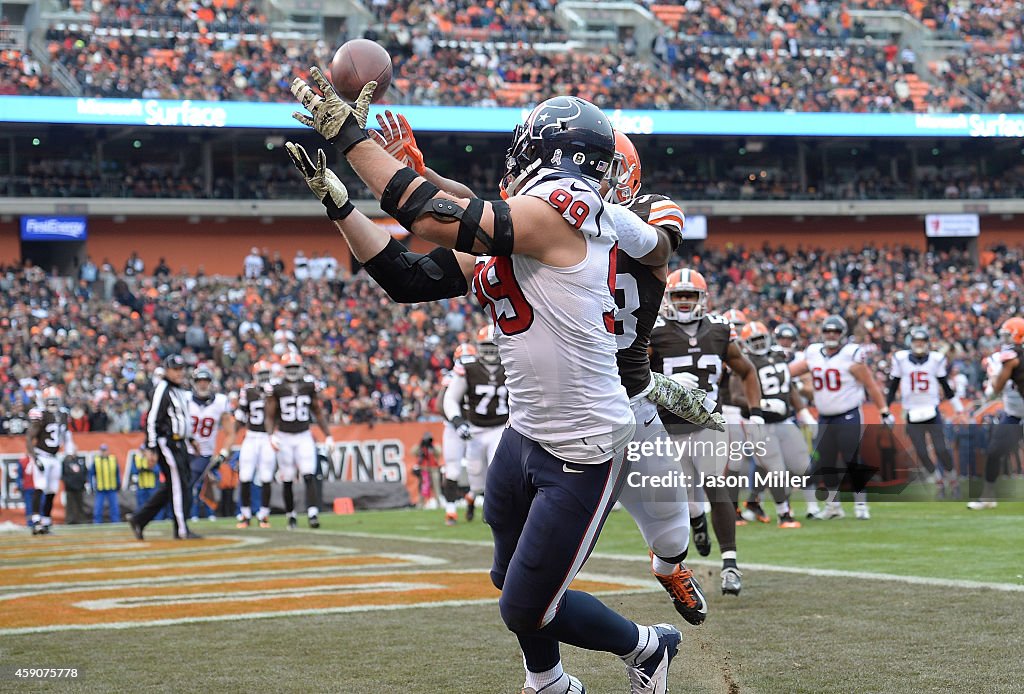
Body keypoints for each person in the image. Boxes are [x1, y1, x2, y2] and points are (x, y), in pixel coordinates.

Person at [288, 78, 682, 692]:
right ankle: (548, 682)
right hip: (524, 435)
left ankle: (648, 646)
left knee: (525, 606)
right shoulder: (531, 226)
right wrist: (342, 206)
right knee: (507, 576)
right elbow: (408, 277)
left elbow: (431, 214)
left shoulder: (556, 215)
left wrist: (349, 137)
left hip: (582, 448)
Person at [603, 131, 709, 624]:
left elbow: (655, 247)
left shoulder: (648, 211)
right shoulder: (544, 220)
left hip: (632, 399)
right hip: (567, 403)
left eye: (600, 167)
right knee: (551, 545)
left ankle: (669, 569)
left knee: (672, 532)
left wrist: (589, 208)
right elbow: (481, 218)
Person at [649, 268, 762, 596]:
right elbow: (632, 371)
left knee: (716, 485)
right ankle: (697, 521)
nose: (685, 301)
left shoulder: (720, 329)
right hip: (669, 428)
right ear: (668, 298)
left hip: (709, 423)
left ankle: (730, 564)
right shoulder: (655, 331)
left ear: (703, 298)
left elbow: (746, 371)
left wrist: (755, 415)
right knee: (683, 499)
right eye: (679, 295)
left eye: (690, 295)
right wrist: (663, 384)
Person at [790, 315, 892, 520]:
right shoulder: (813, 353)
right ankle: (833, 507)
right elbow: (788, 372)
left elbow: (870, 385)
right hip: (824, 417)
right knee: (825, 462)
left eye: (835, 332)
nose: (831, 335)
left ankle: (861, 505)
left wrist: (884, 411)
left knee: (852, 459)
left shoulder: (850, 355)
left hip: (848, 414)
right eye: (827, 331)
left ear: (842, 334)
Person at [730, 321, 816, 528]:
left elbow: (789, 388)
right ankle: (784, 514)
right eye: (754, 341)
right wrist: (764, 404)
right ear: (745, 343)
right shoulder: (742, 361)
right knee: (776, 471)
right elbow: (736, 397)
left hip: (784, 421)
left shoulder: (778, 355)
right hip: (760, 424)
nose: (759, 344)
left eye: (761, 339)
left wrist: (804, 413)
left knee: (803, 467)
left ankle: (754, 501)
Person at [886, 326, 963, 497]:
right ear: (911, 342)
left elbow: (945, 386)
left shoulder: (936, 359)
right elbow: (892, 387)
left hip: (931, 410)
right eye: (916, 341)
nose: (919, 344)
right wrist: (885, 409)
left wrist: (958, 408)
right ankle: (939, 482)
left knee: (941, 449)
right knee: (921, 452)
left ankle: (953, 480)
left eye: (922, 341)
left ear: (927, 343)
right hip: (911, 411)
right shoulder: (901, 359)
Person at [442, 326, 508, 522]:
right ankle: (472, 497)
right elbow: (449, 399)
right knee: (476, 476)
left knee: (498, 469)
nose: (490, 350)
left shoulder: (512, 366)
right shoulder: (468, 369)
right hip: (475, 430)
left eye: (493, 345)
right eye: (486, 345)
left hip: (500, 427)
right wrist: (457, 421)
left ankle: (496, 511)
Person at [130, 354, 198, 540]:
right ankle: (181, 529)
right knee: (179, 485)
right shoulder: (162, 388)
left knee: (174, 486)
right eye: (175, 369)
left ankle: (140, 519)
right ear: (167, 370)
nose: (179, 373)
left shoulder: (180, 390)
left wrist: (191, 439)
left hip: (180, 443)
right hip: (167, 443)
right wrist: (151, 448)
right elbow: (152, 419)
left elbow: (183, 418)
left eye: (181, 369)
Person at [264, 352, 333, 529]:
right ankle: (291, 515)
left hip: (303, 435)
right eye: (290, 367)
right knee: (287, 478)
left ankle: (312, 514)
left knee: (309, 473)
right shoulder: (277, 388)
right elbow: (270, 415)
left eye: (295, 367)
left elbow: (317, 411)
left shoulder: (309, 386)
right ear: (284, 369)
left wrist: (328, 435)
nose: (293, 370)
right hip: (284, 436)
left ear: (301, 368)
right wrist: (271, 435)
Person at [968, 317, 1024, 509]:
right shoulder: (999, 359)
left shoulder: (1010, 359)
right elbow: (991, 393)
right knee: (994, 453)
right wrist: (993, 377)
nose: (1005, 340)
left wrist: (993, 378)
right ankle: (987, 497)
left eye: (1008, 336)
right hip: (1013, 414)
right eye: (1004, 336)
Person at [187, 366, 236, 522]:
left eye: (206, 381)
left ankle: (195, 515)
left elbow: (230, 432)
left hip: (205, 453)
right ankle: (185, 516)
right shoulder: (185, 399)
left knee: (196, 485)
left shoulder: (220, 401)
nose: (202, 384)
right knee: (183, 486)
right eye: (199, 381)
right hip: (185, 450)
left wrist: (223, 453)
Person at [25, 386, 75, 535]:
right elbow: (29, 438)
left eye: (55, 400)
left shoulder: (63, 414)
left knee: (52, 490)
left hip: (55, 457)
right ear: (44, 401)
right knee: (40, 486)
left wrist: (69, 452)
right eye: (50, 400)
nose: (52, 403)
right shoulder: (40, 414)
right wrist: (34, 458)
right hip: (42, 455)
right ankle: (36, 522)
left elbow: (67, 435)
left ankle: (46, 522)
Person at [438, 342, 476, 525]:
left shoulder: (481, 374)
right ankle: (451, 510)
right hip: (454, 428)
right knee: (452, 469)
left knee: (482, 469)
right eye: (463, 359)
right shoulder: (451, 377)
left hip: (477, 427)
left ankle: (472, 496)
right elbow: (441, 404)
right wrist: (457, 422)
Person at [236, 360, 277, 528]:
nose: (265, 377)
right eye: (262, 374)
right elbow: (240, 415)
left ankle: (264, 515)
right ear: (255, 376)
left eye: (267, 374)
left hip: (267, 437)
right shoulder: (248, 391)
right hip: (251, 436)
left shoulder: (276, 390)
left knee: (266, 477)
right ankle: (245, 514)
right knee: (245, 476)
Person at [127, 449, 162, 520]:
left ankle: (157, 519)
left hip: (152, 486)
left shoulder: (152, 458)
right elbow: (133, 471)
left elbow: (158, 470)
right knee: (141, 505)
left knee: (154, 503)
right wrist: (140, 470)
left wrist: (150, 470)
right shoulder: (137, 459)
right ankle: (141, 519)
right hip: (141, 486)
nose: (144, 452)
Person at [91, 444, 122, 523]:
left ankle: (116, 521)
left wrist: (118, 483)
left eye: (105, 450)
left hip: (112, 487)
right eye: (102, 451)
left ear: (108, 451)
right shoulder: (96, 460)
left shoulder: (113, 459)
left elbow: (117, 472)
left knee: (114, 506)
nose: (104, 452)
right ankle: (97, 522)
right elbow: (91, 474)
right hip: (100, 488)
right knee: (98, 507)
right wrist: (91, 485)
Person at [61, 452, 88, 524]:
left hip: (80, 487)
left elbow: (85, 471)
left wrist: (83, 481)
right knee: (70, 505)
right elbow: (63, 474)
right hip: (69, 487)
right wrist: (68, 482)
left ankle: (81, 519)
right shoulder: (66, 462)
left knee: (80, 504)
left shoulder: (81, 460)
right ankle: (70, 520)